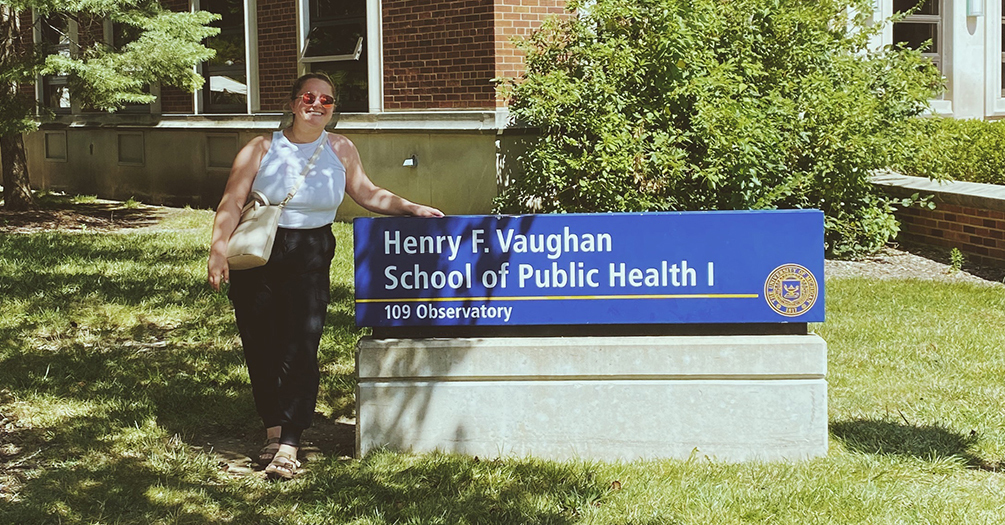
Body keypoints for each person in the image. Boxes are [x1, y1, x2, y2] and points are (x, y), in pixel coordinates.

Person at [207, 72, 442, 480]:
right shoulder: (261, 148)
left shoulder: (340, 148)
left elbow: (367, 193)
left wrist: (412, 208)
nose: (317, 105)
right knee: (260, 343)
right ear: (294, 101)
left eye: (327, 100)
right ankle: (272, 430)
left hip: (311, 252)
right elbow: (232, 200)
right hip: (258, 249)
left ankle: (290, 442)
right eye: (309, 97)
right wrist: (217, 250)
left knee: (301, 345)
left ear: (333, 108)